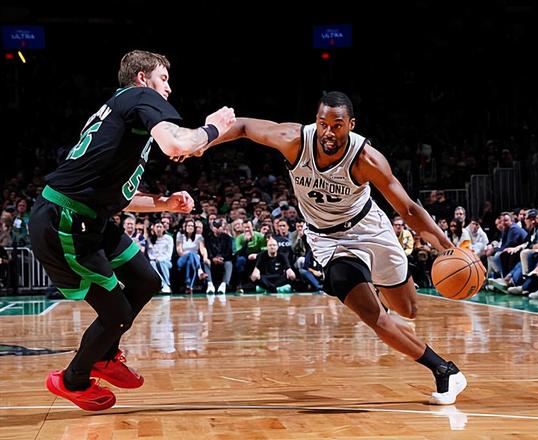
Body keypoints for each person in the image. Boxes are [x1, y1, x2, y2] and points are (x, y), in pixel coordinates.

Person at [187, 91, 480, 404]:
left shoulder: (366, 159)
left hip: (370, 230)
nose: (328, 132)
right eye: (322, 123)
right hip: (328, 240)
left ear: (351, 125)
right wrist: (202, 139)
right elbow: (243, 126)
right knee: (373, 315)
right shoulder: (294, 140)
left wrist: (447, 247)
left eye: (337, 125)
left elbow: (407, 209)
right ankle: (444, 370)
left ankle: (378, 288)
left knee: (408, 310)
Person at [28, 50, 235, 411]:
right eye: (163, 78)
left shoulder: (123, 118)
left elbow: (119, 197)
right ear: (142, 78)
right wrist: (213, 127)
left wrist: (164, 203)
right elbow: (176, 144)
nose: (168, 88)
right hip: (66, 221)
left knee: (146, 280)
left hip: (90, 218)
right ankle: (72, 379)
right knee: (117, 314)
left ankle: (105, 356)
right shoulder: (139, 96)